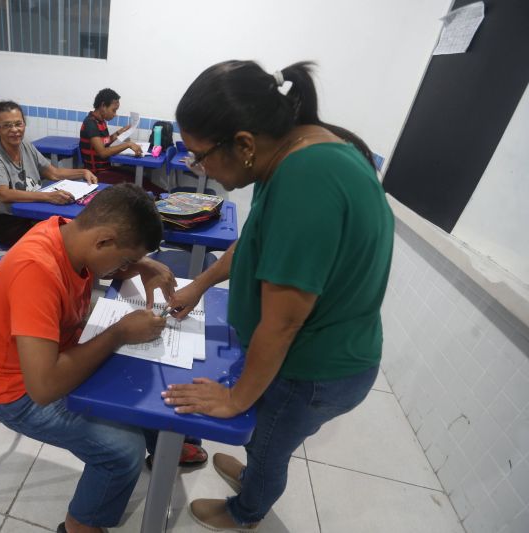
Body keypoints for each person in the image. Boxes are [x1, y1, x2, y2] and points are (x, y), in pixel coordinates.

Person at [160, 60, 394, 530]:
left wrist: (234, 399)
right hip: (313, 360)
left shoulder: (306, 178)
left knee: (269, 444)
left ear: (243, 143)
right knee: (262, 437)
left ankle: (246, 511)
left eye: (200, 156)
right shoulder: (298, 151)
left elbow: (284, 322)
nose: (198, 167)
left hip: (315, 370)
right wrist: (199, 284)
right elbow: (254, 244)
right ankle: (254, 471)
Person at [0, 184, 199, 533]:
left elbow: (105, 261)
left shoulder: (67, 232)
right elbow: (43, 388)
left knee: (147, 378)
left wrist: (141, 264)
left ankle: (167, 448)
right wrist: (119, 333)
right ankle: (80, 525)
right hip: (16, 392)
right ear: (104, 241)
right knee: (123, 452)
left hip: (58, 351)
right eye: (124, 260)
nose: (125, 268)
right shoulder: (36, 270)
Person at [0, 100, 98, 247]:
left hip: (34, 214)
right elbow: (5, 194)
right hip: (12, 223)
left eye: (18, 124)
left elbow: (53, 173)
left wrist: (83, 171)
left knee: (78, 230)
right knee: (67, 240)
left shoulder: (26, 146)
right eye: (7, 125)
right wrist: (48, 197)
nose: (14, 130)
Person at [79, 88, 144, 185]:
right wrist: (128, 144)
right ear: (103, 106)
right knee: (136, 182)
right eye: (113, 110)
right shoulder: (91, 124)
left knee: (135, 176)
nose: (115, 114)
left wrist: (119, 133)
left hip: (105, 169)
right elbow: (103, 153)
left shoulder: (100, 121)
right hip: (96, 175)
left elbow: (104, 141)